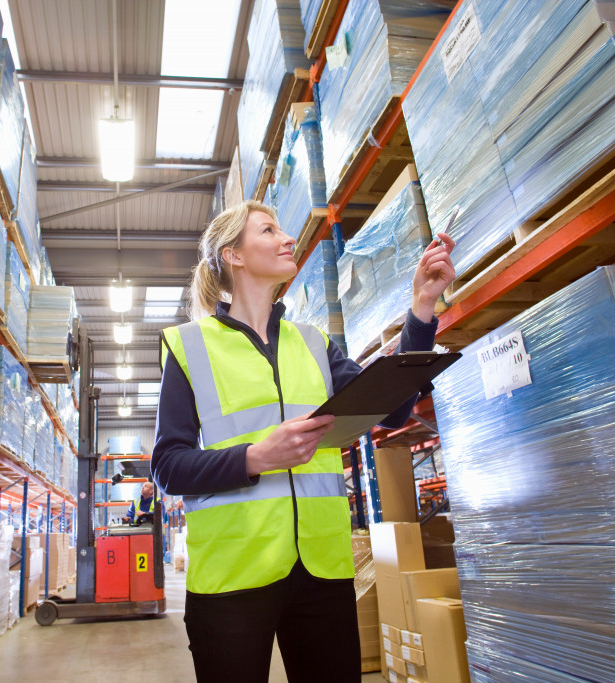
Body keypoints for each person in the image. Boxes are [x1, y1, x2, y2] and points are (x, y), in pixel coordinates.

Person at [152, 200, 455, 682]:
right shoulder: (189, 346)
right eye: (269, 230)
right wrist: (256, 457)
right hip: (233, 573)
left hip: (321, 570)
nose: (287, 238)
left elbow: (392, 407)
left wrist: (421, 308)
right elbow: (168, 467)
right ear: (233, 255)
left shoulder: (312, 342)